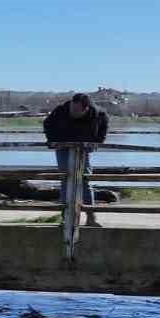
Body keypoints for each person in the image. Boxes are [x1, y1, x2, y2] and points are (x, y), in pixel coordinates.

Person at [44, 92, 109, 225]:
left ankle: (91, 217)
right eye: (72, 108)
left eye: (76, 110)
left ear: (86, 109)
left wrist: (98, 141)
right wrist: (52, 141)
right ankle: (65, 217)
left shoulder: (98, 114)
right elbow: (47, 124)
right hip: (63, 147)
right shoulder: (61, 110)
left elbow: (103, 126)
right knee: (65, 180)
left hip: (83, 148)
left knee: (85, 180)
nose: (72, 112)